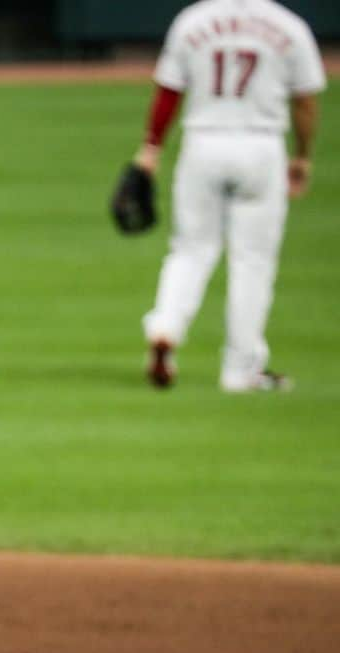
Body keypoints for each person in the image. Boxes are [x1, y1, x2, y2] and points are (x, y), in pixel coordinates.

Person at [132, 0, 326, 391]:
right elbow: (305, 101)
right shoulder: (288, 26)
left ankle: (166, 326)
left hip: (202, 142)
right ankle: (242, 369)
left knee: (190, 248)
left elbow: (169, 91)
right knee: (252, 260)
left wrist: (151, 148)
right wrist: (303, 156)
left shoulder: (194, 20)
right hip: (261, 146)